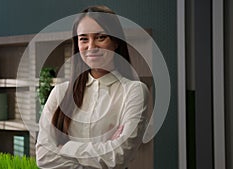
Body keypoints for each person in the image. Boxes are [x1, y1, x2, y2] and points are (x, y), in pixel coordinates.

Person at [36, 5, 149, 169]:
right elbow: (44, 157)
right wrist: (104, 149)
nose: (91, 46)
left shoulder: (134, 91)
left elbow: (120, 154)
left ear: (116, 41)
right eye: (83, 39)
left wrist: (66, 147)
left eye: (101, 37)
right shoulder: (60, 92)